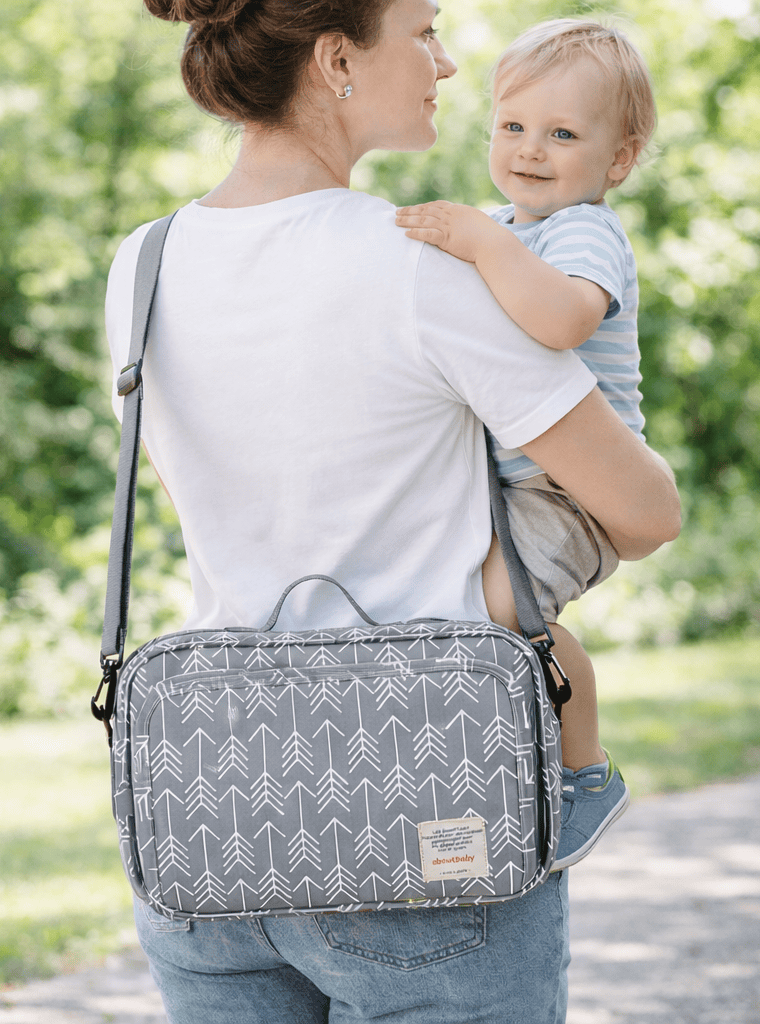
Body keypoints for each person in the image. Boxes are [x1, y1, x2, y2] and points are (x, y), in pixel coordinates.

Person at [104, 1, 681, 1020]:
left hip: (213, 815)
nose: (448, 63)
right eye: (422, 32)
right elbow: (641, 512)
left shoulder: (142, 266)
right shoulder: (428, 258)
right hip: (421, 804)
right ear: (335, 59)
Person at [395, 19, 657, 871]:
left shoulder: (583, 232)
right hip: (512, 485)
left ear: (617, 160)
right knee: (479, 615)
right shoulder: (515, 228)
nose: (530, 151)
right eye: (512, 127)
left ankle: (585, 771)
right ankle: (518, 766)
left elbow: (562, 318)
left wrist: (479, 240)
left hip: (568, 493)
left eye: (563, 134)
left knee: (503, 616)